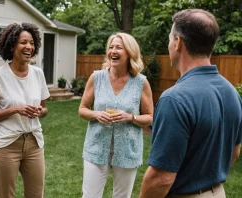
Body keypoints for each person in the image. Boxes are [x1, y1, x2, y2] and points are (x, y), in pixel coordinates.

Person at [140, 9, 242, 198]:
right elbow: (234, 152)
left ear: (178, 42)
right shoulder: (232, 93)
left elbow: (160, 178)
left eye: (170, 39)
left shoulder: (174, 99)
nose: (169, 44)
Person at [78, 32, 154, 198]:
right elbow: (82, 109)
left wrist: (130, 117)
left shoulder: (141, 82)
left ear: (129, 53)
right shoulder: (96, 78)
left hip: (128, 149)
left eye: (119, 47)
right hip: (96, 146)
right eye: (111, 47)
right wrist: (96, 114)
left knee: (121, 196)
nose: (113, 51)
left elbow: (149, 117)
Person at [0, 22, 50, 198]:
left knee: (36, 195)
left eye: (32, 43)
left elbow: (44, 109)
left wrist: (39, 111)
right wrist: (15, 109)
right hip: (6, 145)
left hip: (34, 142)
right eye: (23, 42)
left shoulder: (38, 74)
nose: (29, 47)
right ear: (11, 46)